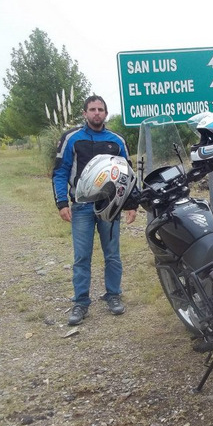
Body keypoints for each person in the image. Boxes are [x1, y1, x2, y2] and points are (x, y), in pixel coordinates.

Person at [52, 95, 137, 325]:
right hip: (81, 207)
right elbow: (60, 172)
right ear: (85, 113)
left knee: (112, 255)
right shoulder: (71, 138)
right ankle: (81, 302)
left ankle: (113, 295)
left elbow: (127, 173)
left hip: (110, 205)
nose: (96, 113)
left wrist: (131, 204)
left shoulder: (116, 140)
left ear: (106, 113)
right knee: (82, 257)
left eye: (100, 109)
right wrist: (62, 203)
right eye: (92, 109)